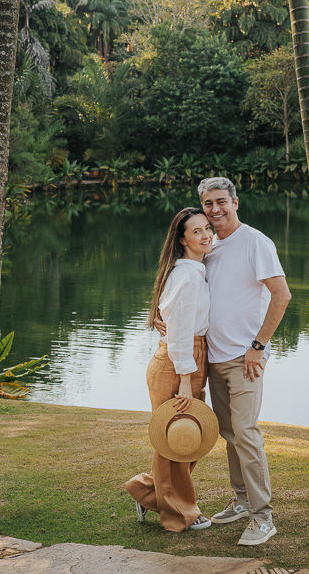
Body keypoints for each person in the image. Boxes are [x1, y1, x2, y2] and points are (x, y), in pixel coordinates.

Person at [158, 177, 291, 546]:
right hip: (213, 358)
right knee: (230, 434)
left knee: (246, 433)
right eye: (208, 204)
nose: (215, 210)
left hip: (244, 358)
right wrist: (163, 318)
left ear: (236, 202)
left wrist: (258, 346)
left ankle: (263, 518)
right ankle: (243, 501)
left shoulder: (256, 243)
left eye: (221, 202)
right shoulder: (208, 246)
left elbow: (282, 296)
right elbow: (189, 297)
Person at [124, 207, 215, 532]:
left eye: (208, 228)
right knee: (177, 439)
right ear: (182, 239)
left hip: (191, 356)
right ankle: (180, 512)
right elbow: (178, 334)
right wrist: (187, 382)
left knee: (186, 438)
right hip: (179, 361)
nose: (206, 236)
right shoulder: (187, 277)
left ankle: (147, 491)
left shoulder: (194, 269)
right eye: (197, 232)